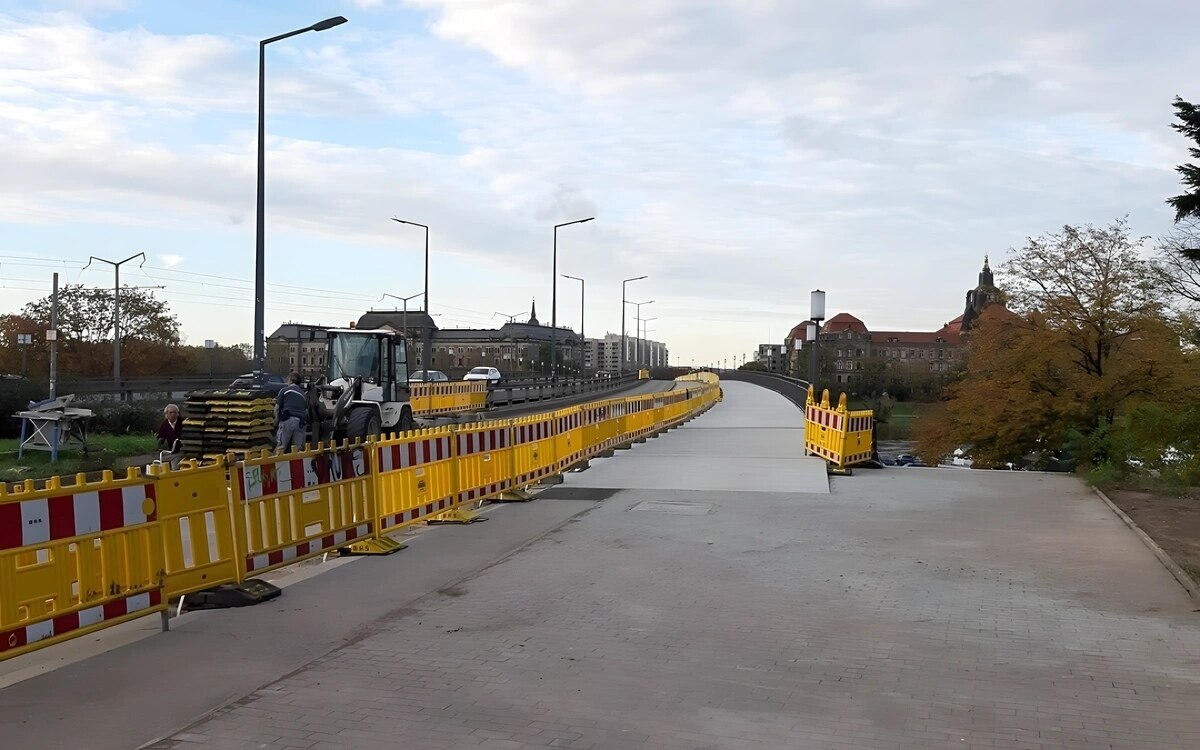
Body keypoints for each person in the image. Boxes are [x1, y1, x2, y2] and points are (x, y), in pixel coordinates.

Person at [275, 372, 308, 452]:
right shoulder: (303, 394)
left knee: (281, 447)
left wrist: (276, 421)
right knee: (298, 449)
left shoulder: (284, 390)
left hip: (287, 419)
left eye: (288, 379)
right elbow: (306, 411)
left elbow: (277, 408)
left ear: (290, 380)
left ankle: (278, 463)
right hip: (300, 422)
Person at [156, 403, 184, 468]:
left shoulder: (183, 422)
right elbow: (160, 438)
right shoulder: (164, 425)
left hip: (185, 448)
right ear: (166, 414)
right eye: (171, 412)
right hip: (173, 450)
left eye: (175, 412)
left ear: (178, 413)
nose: (173, 414)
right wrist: (160, 445)